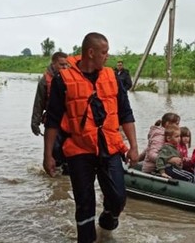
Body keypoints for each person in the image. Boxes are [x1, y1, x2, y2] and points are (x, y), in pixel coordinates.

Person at [42, 32, 139, 243]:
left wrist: (133, 146)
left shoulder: (112, 77)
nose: (108, 56)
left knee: (118, 198)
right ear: (91, 53)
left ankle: (107, 220)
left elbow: (126, 113)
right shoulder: (63, 81)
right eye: (104, 52)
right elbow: (52, 121)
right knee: (84, 203)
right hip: (79, 149)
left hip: (110, 147)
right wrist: (48, 155)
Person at [30, 51, 70, 173]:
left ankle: (66, 176)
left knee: (70, 151)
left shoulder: (71, 78)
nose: (64, 68)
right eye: (61, 65)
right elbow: (39, 103)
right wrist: (35, 123)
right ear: (53, 64)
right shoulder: (44, 81)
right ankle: (56, 180)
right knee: (55, 149)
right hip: (54, 122)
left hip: (69, 122)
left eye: (66, 65)